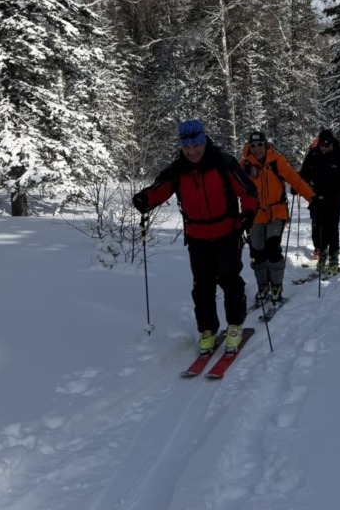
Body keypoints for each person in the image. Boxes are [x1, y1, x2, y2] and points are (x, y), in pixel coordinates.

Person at [131, 119, 258, 356]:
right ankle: (207, 329)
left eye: (196, 145)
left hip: (228, 233)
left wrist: (249, 212)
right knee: (202, 285)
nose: (192, 151)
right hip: (197, 236)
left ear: (203, 141)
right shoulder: (178, 169)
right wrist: (144, 199)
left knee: (230, 280)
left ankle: (235, 325)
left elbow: (248, 190)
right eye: (187, 146)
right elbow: (159, 189)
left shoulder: (223, 162)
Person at [240, 130, 315, 307]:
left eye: (260, 145)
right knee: (257, 253)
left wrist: (312, 198)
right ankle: (263, 286)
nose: (257, 149)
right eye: (253, 146)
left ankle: (276, 287)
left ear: (265, 145)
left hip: (277, 212)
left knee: (273, 248)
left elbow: (295, 180)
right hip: (256, 214)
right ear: (249, 147)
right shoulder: (244, 166)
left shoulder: (277, 161)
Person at [299, 128, 340, 274]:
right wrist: (299, 184)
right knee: (320, 227)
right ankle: (322, 254)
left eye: (326, 145)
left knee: (332, 227)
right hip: (318, 197)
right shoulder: (314, 154)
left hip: (335, 197)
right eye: (322, 145)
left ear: (332, 144)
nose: (324, 148)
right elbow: (305, 173)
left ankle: (334, 256)